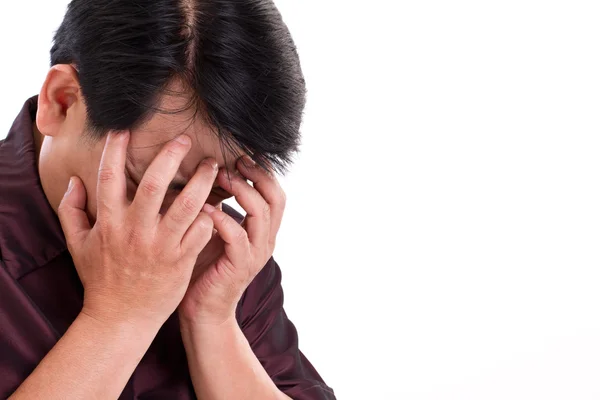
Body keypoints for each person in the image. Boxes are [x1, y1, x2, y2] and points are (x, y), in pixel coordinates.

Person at [0, 0, 336, 399]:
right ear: (63, 101)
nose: (180, 222)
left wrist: (212, 322)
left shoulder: (216, 243)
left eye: (212, 192)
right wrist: (119, 318)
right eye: (150, 184)